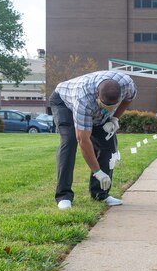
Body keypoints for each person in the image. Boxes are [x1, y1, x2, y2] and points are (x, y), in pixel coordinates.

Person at [50, 70, 137, 210]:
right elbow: (83, 140)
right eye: (105, 106)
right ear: (97, 94)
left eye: (112, 107)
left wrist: (114, 118)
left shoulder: (127, 84)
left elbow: (128, 99)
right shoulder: (83, 99)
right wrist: (98, 172)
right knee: (70, 142)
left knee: (108, 144)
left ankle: (100, 194)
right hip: (64, 102)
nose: (108, 109)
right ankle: (63, 196)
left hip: (94, 106)